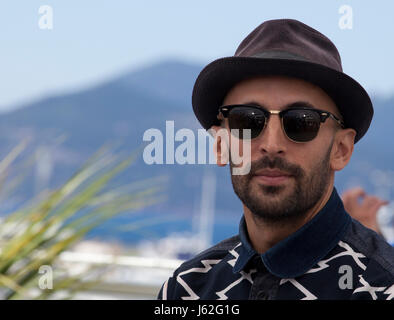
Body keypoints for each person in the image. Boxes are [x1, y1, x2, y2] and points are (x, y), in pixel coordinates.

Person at [158, 19, 394, 300]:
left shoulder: (381, 288)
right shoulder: (187, 289)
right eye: (246, 120)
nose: (271, 145)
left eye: (301, 122)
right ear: (220, 145)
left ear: (341, 149)